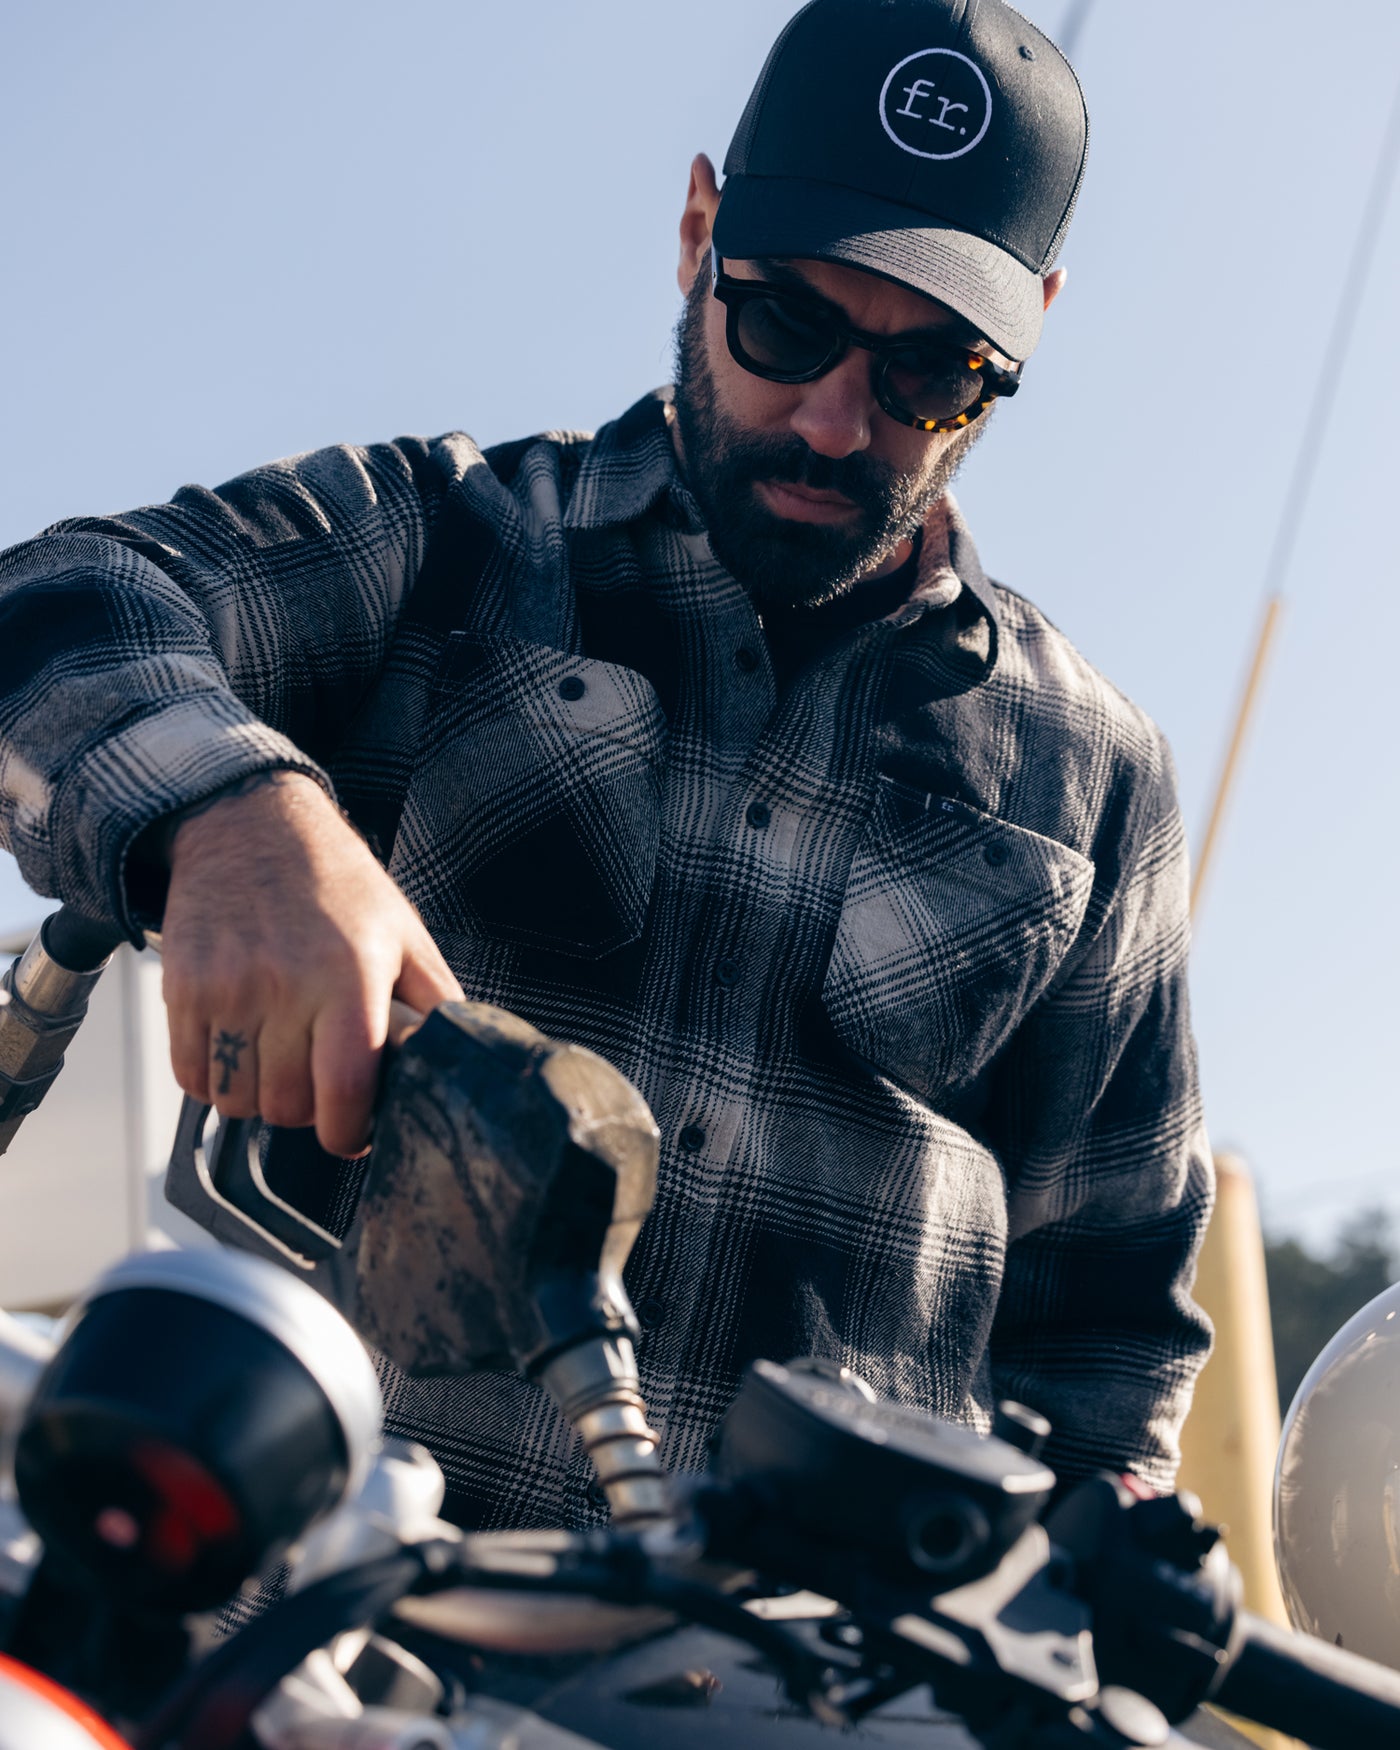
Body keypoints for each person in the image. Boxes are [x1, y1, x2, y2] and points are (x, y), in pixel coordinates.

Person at [0, 0, 1212, 1529]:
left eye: (933, 376)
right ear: (700, 230)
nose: (838, 421)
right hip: (336, 1616)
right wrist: (236, 819)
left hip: (797, 1655)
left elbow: (1109, 1332)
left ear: (1031, 329)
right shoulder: (444, 543)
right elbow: (53, 603)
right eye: (786, 326)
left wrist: (1097, 1562)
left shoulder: (1097, 777)